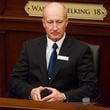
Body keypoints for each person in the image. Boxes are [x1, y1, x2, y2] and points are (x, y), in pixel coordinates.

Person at [9, 2, 98, 102]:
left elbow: (91, 87)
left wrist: (64, 96)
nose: (55, 28)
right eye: (50, 22)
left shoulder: (81, 50)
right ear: (43, 23)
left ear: (66, 22)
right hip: (35, 106)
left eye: (59, 22)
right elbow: (15, 80)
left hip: (65, 107)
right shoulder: (30, 47)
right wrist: (31, 91)